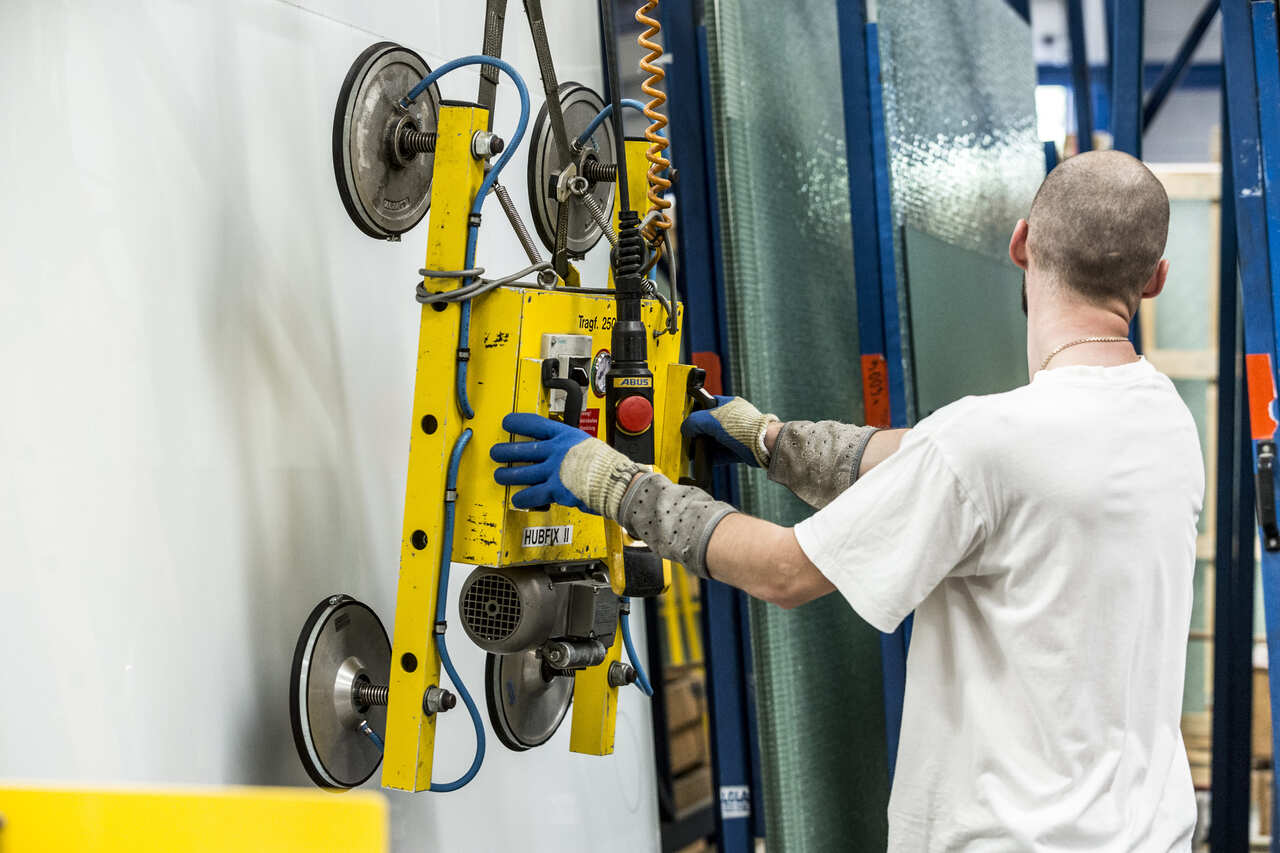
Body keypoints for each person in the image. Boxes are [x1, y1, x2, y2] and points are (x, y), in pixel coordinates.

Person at [491, 149, 1201, 851]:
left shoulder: (986, 443)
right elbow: (920, 460)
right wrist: (771, 439)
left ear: (1022, 243)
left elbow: (784, 570)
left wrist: (615, 484)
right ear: (1156, 279)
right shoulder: (1167, 425)